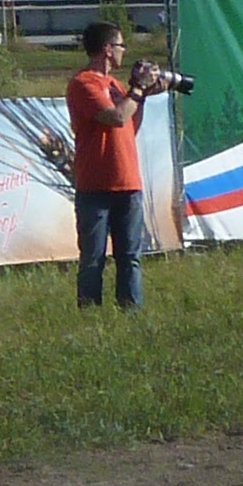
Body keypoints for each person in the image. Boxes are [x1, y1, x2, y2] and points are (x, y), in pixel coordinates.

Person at [65, 21, 182, 314]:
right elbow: (116, 118)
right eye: (120, 45)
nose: (123, 51)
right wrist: (138, 89)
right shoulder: (84, 84)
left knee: (130, 256)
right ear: (107, 49)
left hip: (128, 183)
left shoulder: (116, 86)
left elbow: (130, 125)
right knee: (93, 258)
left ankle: (131, 313)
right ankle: (90, 314)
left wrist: (143, 93)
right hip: (95, 186)